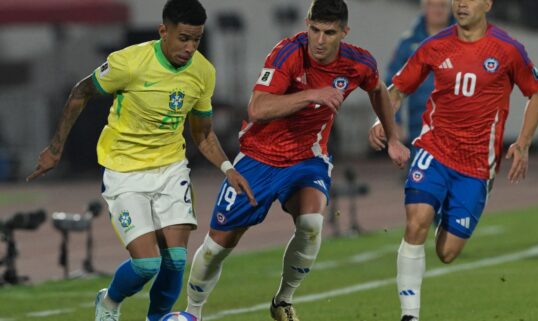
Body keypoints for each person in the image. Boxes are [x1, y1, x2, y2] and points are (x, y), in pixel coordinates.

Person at [27, 1, 255, 321]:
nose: (190, 48)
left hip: (171, 169)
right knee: (147, 264)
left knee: (175, 261)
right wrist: (55, 147)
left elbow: (203, 134)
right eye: (184, 38)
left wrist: (228, 169)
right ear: (164, 30)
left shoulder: (203, 72)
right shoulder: (130, 62)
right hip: (125, 171)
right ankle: (109, 302)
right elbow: (81, 92)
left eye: (197, 40)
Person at [185, 0, 410, 320]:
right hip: (258, 159)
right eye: (314, 30)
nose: (319, 40)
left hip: (308, 159)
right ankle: (192, 312)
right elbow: (258, 109)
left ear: (344, 32)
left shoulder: (358, 62)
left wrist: (393, 138)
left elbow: (378, 91)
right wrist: (312, 94)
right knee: (218, 246)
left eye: (329, 33)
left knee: (311, 223)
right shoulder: (287, 53)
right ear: (307, 24)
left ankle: (282, 301)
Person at [368, 0, 538, 320]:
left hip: (477, 165)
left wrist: (523, 143)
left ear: (488, 4)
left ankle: (443, 209)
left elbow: (536, 92)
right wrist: (381, 120)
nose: (461, 4)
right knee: (415, 221)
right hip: (434, 149)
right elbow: (398, 89)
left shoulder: (507, 49)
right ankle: (410, 315)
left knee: (447, 253)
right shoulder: (434, 45)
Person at [382, 0, 453, 160]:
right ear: (424, 8)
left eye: (442, 5)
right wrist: (394, 120)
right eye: (432, 5)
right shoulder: (408, 43)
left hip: (458, 123)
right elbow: (392, 83)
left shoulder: (466, 40)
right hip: (420, 125)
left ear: (450, 8)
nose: (437, 10)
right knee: (420, 179)